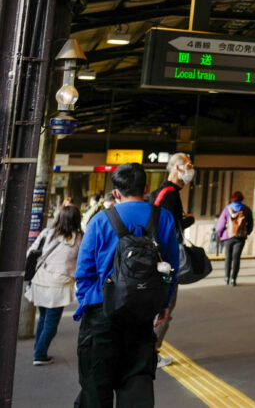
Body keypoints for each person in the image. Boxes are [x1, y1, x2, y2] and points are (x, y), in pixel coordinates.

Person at [74, 162, 178, 407]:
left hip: (101, 314)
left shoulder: (100, 220)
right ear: (146, 187)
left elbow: (83, 272)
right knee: (136, 391)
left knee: (94, 390)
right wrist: (163, 304)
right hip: (141, 315)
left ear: (116, 192)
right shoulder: (163, 218)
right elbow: (170, 268)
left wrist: (91, 303)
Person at [147, 152, 196, 368]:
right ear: (177, 168)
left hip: (158, 259)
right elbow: (162, 228)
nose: (191, 169)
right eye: (188, 165)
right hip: (164, 261)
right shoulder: (169, 194)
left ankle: (147, 352)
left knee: (158, 307)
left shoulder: (166, 193)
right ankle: (151, 354)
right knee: (164, 307)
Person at [25, 203, 83, 366]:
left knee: (43, 317)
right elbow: (82, 263)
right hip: (59, 286)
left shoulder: (47, 233)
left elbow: (31, 253)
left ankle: (39, 349)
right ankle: (40, 354)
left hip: (41, 281)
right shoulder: (79, 238)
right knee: (51, 321)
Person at [215, 191, 253, 286]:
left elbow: (221, 224)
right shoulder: (246, 209)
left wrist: (220, 234)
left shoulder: (227, 209)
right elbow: (250, 224)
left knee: (228, 257)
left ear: (232, 199)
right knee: (236, 258)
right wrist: (246, 232)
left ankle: (226, 277)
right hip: (240, 237)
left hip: (228, 236)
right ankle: (233, 279)